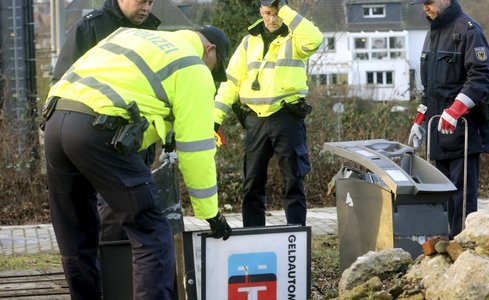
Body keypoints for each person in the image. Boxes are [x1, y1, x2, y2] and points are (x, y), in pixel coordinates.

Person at [42, 25, 232, 299]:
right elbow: (197, 149)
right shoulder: (193, 65)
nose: (212, 76)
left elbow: (131, 89)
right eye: (215, 69)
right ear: (210, 50)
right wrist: (211, 214)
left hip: (55, 121)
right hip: (98, 129)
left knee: (77, 239)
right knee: (152, 235)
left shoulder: (129, 35)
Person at [51, 0, 160, 241]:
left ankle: (125, 271)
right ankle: (112, 273)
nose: (147, 8)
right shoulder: (91, 28)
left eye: (151, 3)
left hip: (135, 137)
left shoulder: (152, 33)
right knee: (104, 215)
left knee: (132, 214)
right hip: (92, 134)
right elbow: (62, 80)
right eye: (142, 1)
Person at [213, 0, 323, 227]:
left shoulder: (296, 38)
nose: (271, 19)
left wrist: (284, 9)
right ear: (260, 12)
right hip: (255, 120)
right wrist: (216, 118)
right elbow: (230, 82)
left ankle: (296, 234)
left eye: (275, 13)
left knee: (293, 180)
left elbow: (316, 39)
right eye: (266, 14)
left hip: (287, 117)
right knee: (252, 183)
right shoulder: (248, 42)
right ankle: (253, 235)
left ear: (283, 11)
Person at [408, 0, 489, 239]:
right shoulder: (432, 33)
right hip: (438, 132)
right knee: (442, 198)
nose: (425, 8)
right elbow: (430, 87)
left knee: (462, 201)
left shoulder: (468, 30)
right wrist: (420, 119)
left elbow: (481, 77)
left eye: (429, 2)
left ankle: (464, 250)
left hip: (464, 131)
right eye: (422, 3)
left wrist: (456, 109)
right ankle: (445, 251)